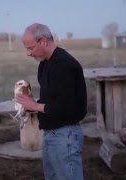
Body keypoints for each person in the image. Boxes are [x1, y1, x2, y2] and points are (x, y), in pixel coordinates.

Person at [16, 23, 87, 180]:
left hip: (65, 136)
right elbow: (53, 100)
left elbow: (66, 107)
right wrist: (30, 105)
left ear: (43, 41)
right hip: (51, 134)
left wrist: (34, 105)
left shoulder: (65, 65)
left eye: (30, 48)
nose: (28, 53)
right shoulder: (45, 64)